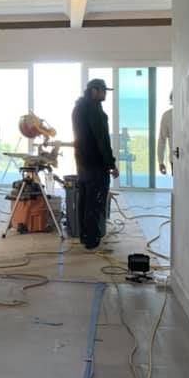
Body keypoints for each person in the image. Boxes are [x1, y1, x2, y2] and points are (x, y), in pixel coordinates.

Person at [71, 78, 119, 250]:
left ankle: (85, 237)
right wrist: (111, 164)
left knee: (84, 201)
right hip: (96, 165)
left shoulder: (78, 108)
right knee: (95, 203)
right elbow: (102, 140)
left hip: (82, 163)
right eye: (103, 90)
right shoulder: (94, 110)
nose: (105, 94)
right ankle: (92, 240)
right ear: (94, 91)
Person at [157, 92, 174, 175]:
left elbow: (162, 140)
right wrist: (160, 161)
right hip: (175, 159)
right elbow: (162, 140)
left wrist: (160, 162)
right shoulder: (167, 116)